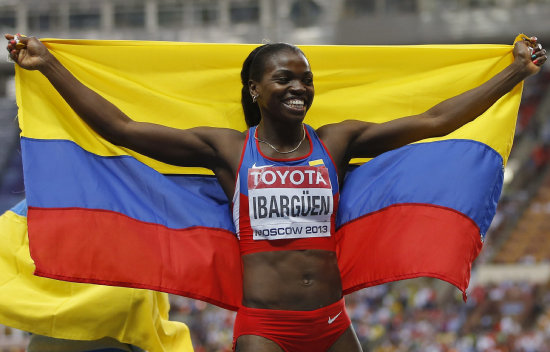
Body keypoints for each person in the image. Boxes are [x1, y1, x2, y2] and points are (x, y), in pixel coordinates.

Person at [5, 33, 546, 352]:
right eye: (284, 79)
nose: (298, 88)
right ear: (255, 90)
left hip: (331, 319)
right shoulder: (227, 150)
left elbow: (433, 120)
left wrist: (514, 73)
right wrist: (49, 65)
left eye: (305, 79)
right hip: (264, 327)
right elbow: (123, 130)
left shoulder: (335, 142)